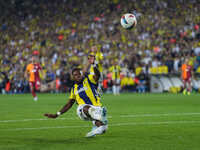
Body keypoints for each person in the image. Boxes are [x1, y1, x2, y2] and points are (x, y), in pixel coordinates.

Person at [44, 55, 108, 137]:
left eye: (79, 74)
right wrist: (57, 114)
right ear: (73, 77)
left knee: (103, 128)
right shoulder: (74, 89)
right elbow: (69, 104)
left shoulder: (88, 80)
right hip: (83, 110)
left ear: (82, 74)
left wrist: (94, 64)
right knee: (83, 107)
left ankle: (93, 131)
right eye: (75, 75)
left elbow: (97, 75)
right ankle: (99, 115)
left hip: (96, 108)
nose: (78, 76)